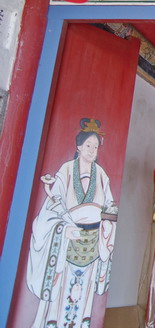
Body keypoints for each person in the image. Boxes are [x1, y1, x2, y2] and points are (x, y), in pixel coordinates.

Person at [26, 118, 117, 328]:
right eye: (88, 146)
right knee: (59, 297)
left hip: (92, 244)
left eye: (95, 147)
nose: (92, 150)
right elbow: (49, 209)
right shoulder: (66, 170)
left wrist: (109, 222)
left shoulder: (101, 175)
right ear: (78, 147)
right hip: (67, 244)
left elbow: (110, 205)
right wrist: (63, 229)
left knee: (84, 301)